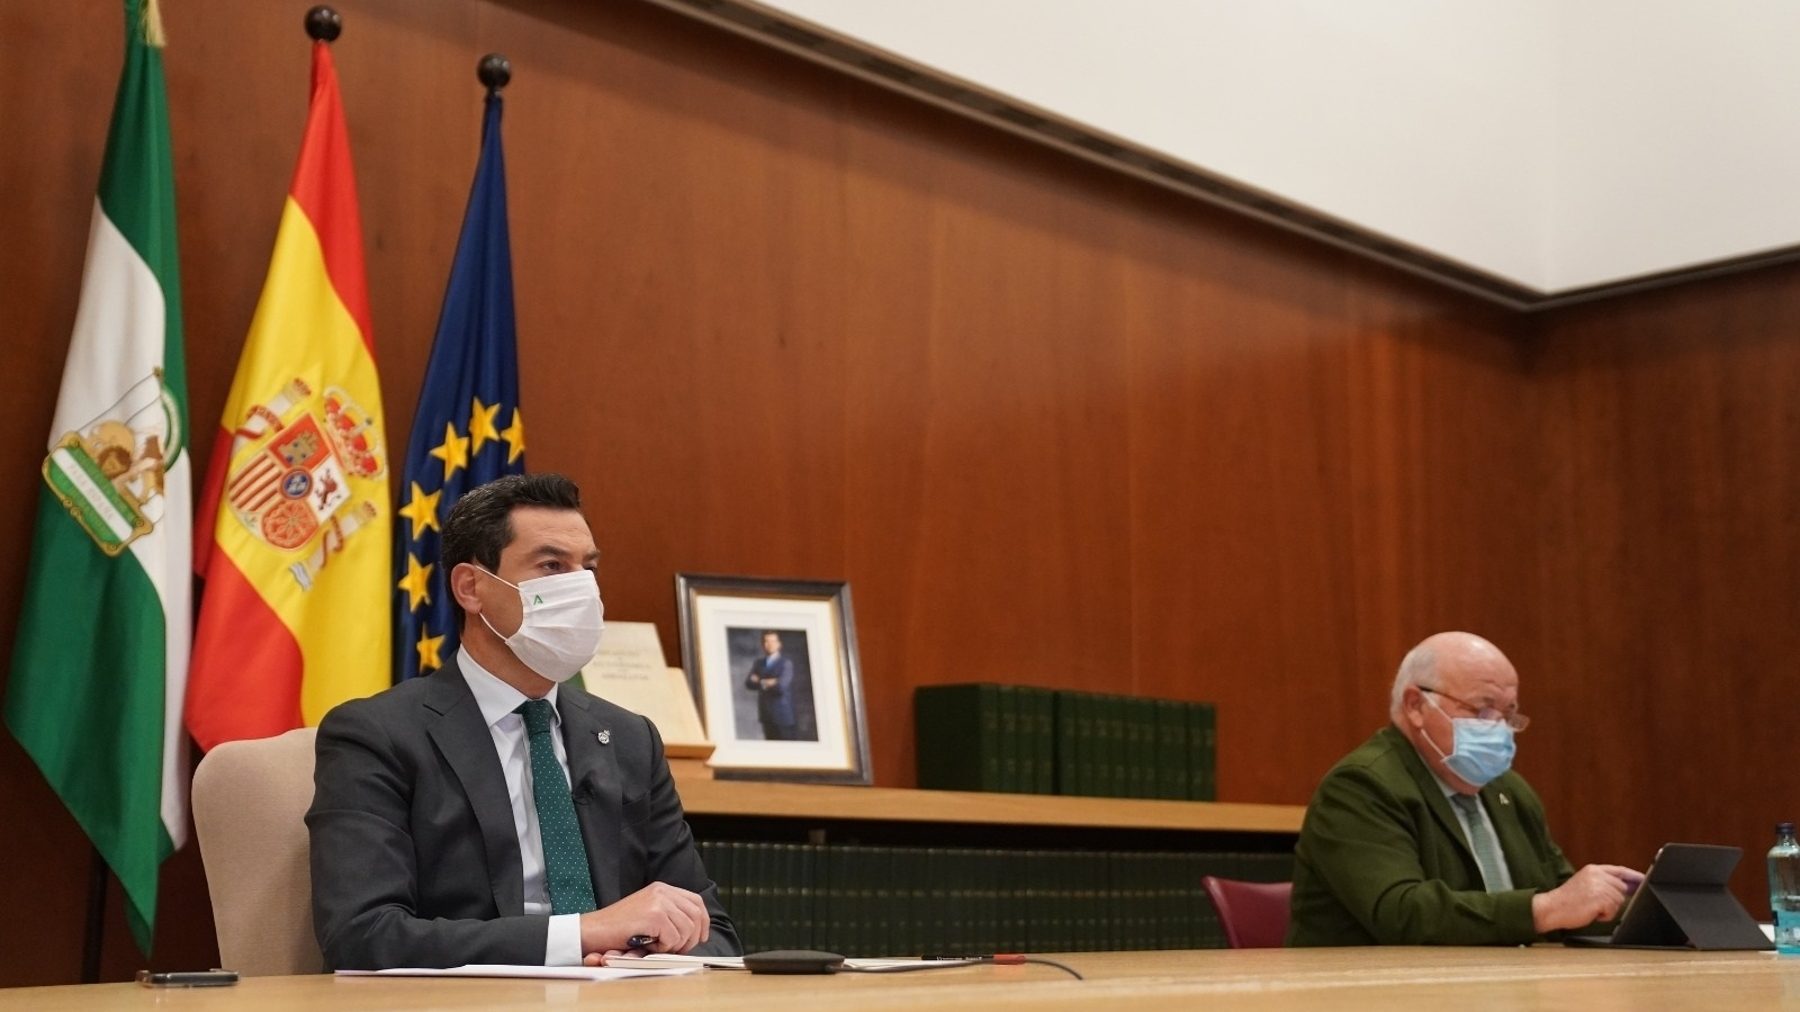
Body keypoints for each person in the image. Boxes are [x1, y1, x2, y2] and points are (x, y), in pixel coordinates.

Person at [307, 473, 740, 969]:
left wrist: (635, 949)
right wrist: (579, 937)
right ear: (471, 588)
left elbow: (715, 933)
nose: (580, 589)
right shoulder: (377, 735)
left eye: (588, 569)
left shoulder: (628, 739)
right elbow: (363, 936)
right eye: (552, 566)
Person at [1287, 631, 1643, 946]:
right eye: (1484, 710)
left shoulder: (1509, 792)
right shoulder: (1361, 786)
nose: (1500, 729)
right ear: (1416, 706)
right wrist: (1545, 909)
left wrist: (1635, 907)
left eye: (1508, 714)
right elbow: (1403, 912)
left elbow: (1564, 897)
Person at [743, 631, 799, 740]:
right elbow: (749, 683)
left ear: (779, 644)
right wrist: (769, 682)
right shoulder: (758, 663)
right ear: (763, 645)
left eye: (773, 641)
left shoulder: (786, 663)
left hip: (783, 717)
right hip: (766, 715)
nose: (770, 644)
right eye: (766, 641)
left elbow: (780, 687)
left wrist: (760, 681)